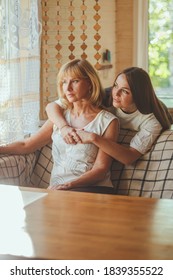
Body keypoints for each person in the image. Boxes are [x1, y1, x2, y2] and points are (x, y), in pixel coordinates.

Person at [0, 59, 119, 192]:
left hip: (92, 189)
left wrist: (69, 185)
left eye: (75, 81)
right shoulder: (60, 117)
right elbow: (27, 145)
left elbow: (100, 170)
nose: (67, 88)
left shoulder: (108, 121)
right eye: (64, 82)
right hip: (58, 191)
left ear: (90, 83)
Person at [46, 66, 173, 165]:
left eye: (125, 91)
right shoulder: (106, 96)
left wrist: (93, 137)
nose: (116, 94)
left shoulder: (152, 121)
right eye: (116, 85)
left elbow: (129, 157)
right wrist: (64, 127)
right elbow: (52, 106)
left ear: (138, 96)